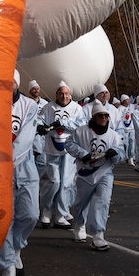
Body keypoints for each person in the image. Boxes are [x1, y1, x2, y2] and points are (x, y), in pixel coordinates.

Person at [0, 70, 40, 276]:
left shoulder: (30, 106)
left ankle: (17, 247)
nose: (7, 85)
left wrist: (7, 159)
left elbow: (25, 139)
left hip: (25, 168)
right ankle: (8, 265)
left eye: (11, 82)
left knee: (31, 214)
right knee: (4, 218)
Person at [66, 99, 123, 249]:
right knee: (81, 203)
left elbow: (122, 153)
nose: (104, 118)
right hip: (85, 173)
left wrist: (114, 154)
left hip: (105, 173)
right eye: (100, 116)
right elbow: (69, 144)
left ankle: (98, 235)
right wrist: (83, 154)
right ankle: (79, 223)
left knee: (102, 201)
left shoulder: (114, 136)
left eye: (106, 116)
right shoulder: (81, 131)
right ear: (94, 117)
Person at [38, 81, 85, 227]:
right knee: (54, 181)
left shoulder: (76, 108)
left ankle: (61, 213)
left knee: (66, 183)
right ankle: (46, 209)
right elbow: (39, 119)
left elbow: (81, 124)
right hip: (52, 150)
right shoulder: (48, 107)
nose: (63, 96)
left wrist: (64, 123)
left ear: (69, 94)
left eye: (66, 93)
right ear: (56, 94)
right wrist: (41, 126)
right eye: (61, 93)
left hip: (69, 151)